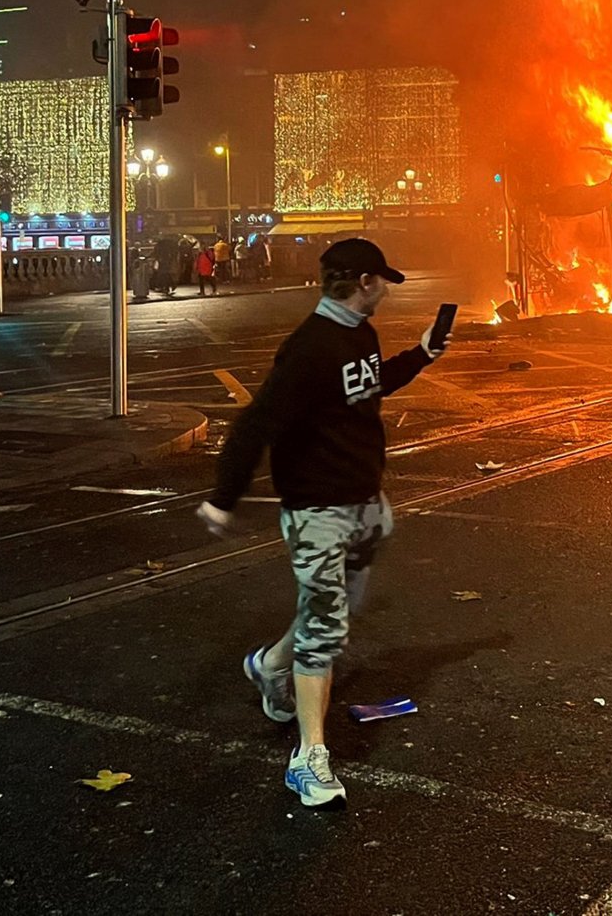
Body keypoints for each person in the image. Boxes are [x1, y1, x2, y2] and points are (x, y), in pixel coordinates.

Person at [195, 238, 449, 808]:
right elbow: (254, 424)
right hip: (318, 510)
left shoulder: (359, 332)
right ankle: (309, 759)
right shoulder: (308, 349)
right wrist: (224, 498)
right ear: (362, 282)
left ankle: (269, 664)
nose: (386, 287)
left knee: (329, 611)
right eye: (382, 279)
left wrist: (424, 353)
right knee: (327, 628)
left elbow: (369, 385)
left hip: (363, 505)